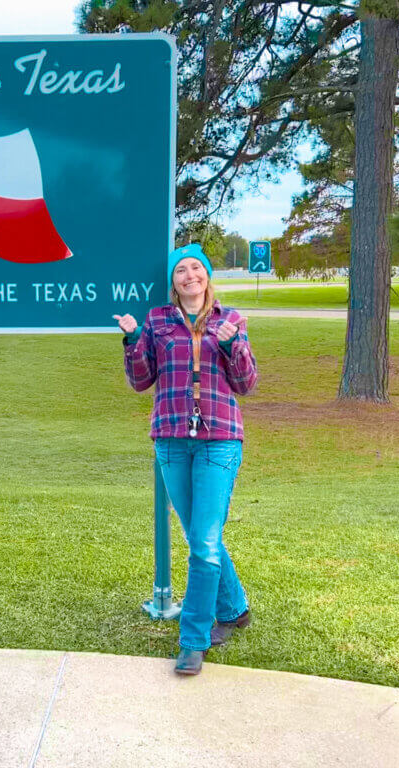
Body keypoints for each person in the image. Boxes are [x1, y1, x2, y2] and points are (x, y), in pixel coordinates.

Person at [113, 243, 258, 675]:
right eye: (181, 270)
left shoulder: (230, 320)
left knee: (206, 540)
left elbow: (246, 384)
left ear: (207, 276)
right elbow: (141, 381)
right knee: (199, 537)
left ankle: (194, 639)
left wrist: (235, 347)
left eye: (197, 268)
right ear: (174, 282)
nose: (189, 275)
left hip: (219, 440)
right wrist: (134, 339)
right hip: (172, 440)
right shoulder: (157, 320)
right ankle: (235, 609)